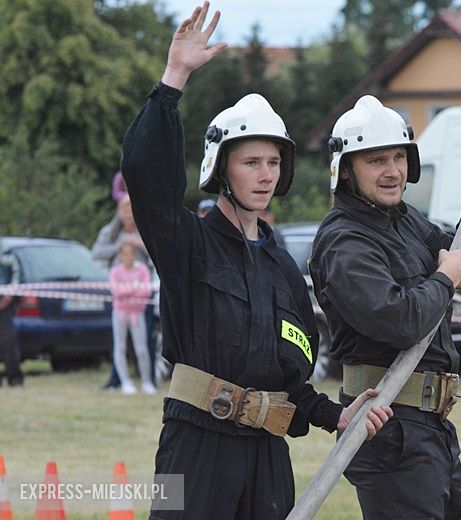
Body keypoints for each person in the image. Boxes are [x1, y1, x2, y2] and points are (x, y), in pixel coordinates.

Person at [120, 3, 391, 518]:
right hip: (192, 447)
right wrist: (173, 79)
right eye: (250, 162)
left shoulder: (283, 268)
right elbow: (145, 174)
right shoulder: (187, 243)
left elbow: (292, 380)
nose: (265, 175)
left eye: (272, 162)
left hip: (269, 456)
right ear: (221, 169)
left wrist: (336, 415)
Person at [309, 95, 461, 519]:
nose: (392, 171)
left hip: (430, 425)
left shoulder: (404, 220)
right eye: (376, 161)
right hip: (388, 431)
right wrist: (445, 277)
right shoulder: (345, 240)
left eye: (398, 158)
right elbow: (400, 320)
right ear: (346, 170)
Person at [92, 193, 157, 390]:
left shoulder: (147, 230)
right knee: (118, 342)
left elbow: (159, 254)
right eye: (125, 209)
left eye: (131, 209)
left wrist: (139, 245)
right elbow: (96, 253)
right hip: (119, 297)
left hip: (142, 295)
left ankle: (148, 379)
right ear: (119, 212)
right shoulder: (110, 233)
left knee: (146, 339)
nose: (128, 214)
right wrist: (118, 247)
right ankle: (118, 379)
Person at [109, 242, 155, 395]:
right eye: (125, 253)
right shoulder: (115, 271)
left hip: (137, 313)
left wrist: (127, 291)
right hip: (120, 314)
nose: (128, 257)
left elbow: (146, 291)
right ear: (120, 255)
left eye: (131, 253)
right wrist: (134, 289)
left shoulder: (141, 269)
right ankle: (125, 382)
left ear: (134, 255)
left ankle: (146, 381)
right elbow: (116, 292)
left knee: (141, 348)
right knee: (120, 347)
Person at [0, 252, 24, 388]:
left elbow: (17, 276)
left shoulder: (6, 254)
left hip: (6, 302)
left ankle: (15, 379)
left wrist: (8, 296)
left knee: (7, 340)